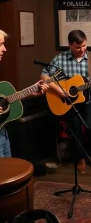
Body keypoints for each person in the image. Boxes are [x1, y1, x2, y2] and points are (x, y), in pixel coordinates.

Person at [41, 30, 91, 174]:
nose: (82, 49)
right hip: (69, 102)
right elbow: (44, 75)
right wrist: (59, 90)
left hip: (90, 99)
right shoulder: (60, 59)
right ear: (70, 45)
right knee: (76, 131)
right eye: (78, 47)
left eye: (84, 45)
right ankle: (80, 158)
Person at [0, 30, 49, 158]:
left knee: (9, 171)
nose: (4, 49)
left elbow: (8, 99)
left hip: (2, 132)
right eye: (0, 45)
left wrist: (31, 92)